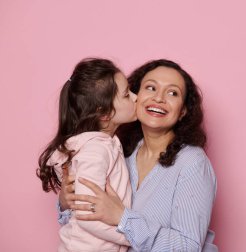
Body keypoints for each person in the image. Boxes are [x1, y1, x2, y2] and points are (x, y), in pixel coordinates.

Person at [59, 59, 218, 251]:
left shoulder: (192, 162)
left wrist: (123, 218)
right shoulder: (117, 151)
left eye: (172, 92)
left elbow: (188, 247)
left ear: (183, 110)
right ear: (134, 95)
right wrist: (66, 202)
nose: (159, 98)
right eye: (151, 88)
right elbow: (86, 226)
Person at [37, 58, 137, 252]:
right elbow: (86, 215)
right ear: (104, 113)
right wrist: (132, 237)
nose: (135, 97)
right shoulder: (95, 151)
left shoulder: (105, 144)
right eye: (126, 95)